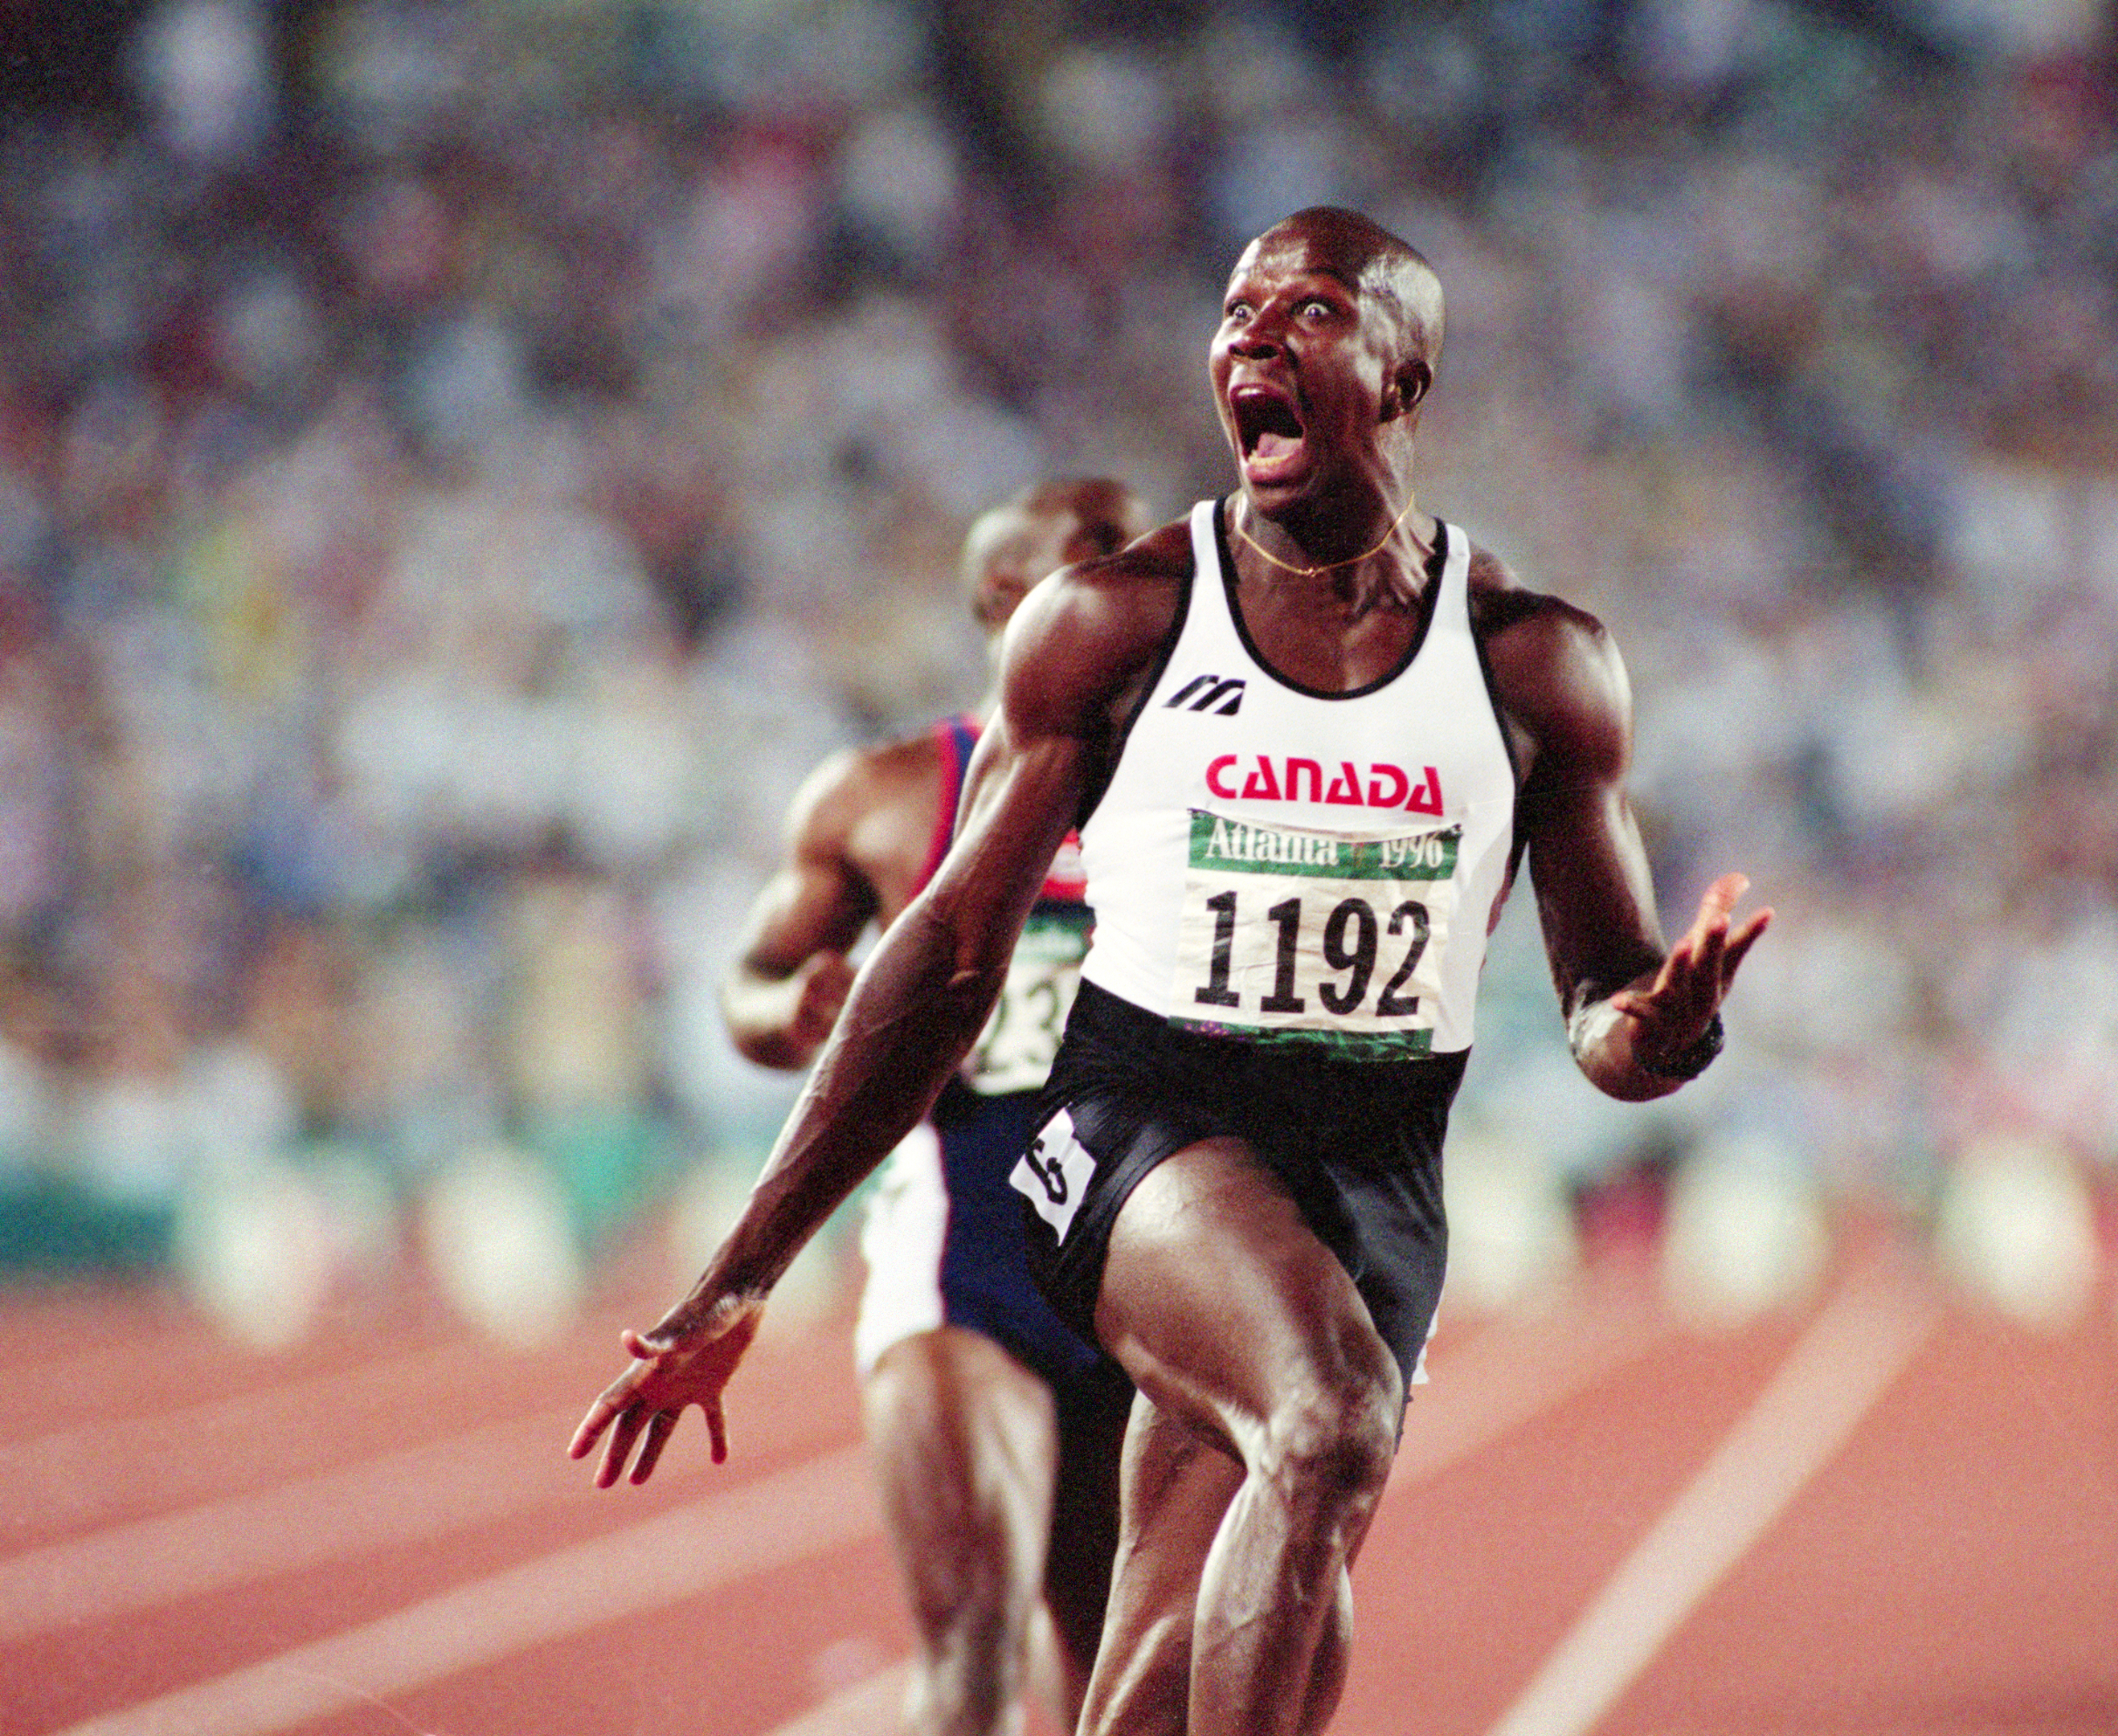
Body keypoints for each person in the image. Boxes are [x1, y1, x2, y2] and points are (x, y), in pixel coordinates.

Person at [574, 206, 1768, 1736]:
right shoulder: (1120, 623)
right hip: (1139, 1121)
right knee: (1329, 1419)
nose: (1253, 339)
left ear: (1404, 376)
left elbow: (1608, 1002)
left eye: (1311, 311)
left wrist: (1660, 1027)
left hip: (1380, 1167)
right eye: (1234, 311)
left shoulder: (1538, 664)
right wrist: (739, 1272)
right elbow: (943, 955)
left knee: (1196, 1618)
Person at [716, 477, 1146, 1736]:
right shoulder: (892, 792)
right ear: (1011, 595)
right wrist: (793, 1005)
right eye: (1104, 553)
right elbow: (746, 982)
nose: (1149, 576)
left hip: (1146, 1270)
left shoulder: (1212, 799)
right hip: (967, 1265)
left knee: (1124, 1674)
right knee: (972, 1649)